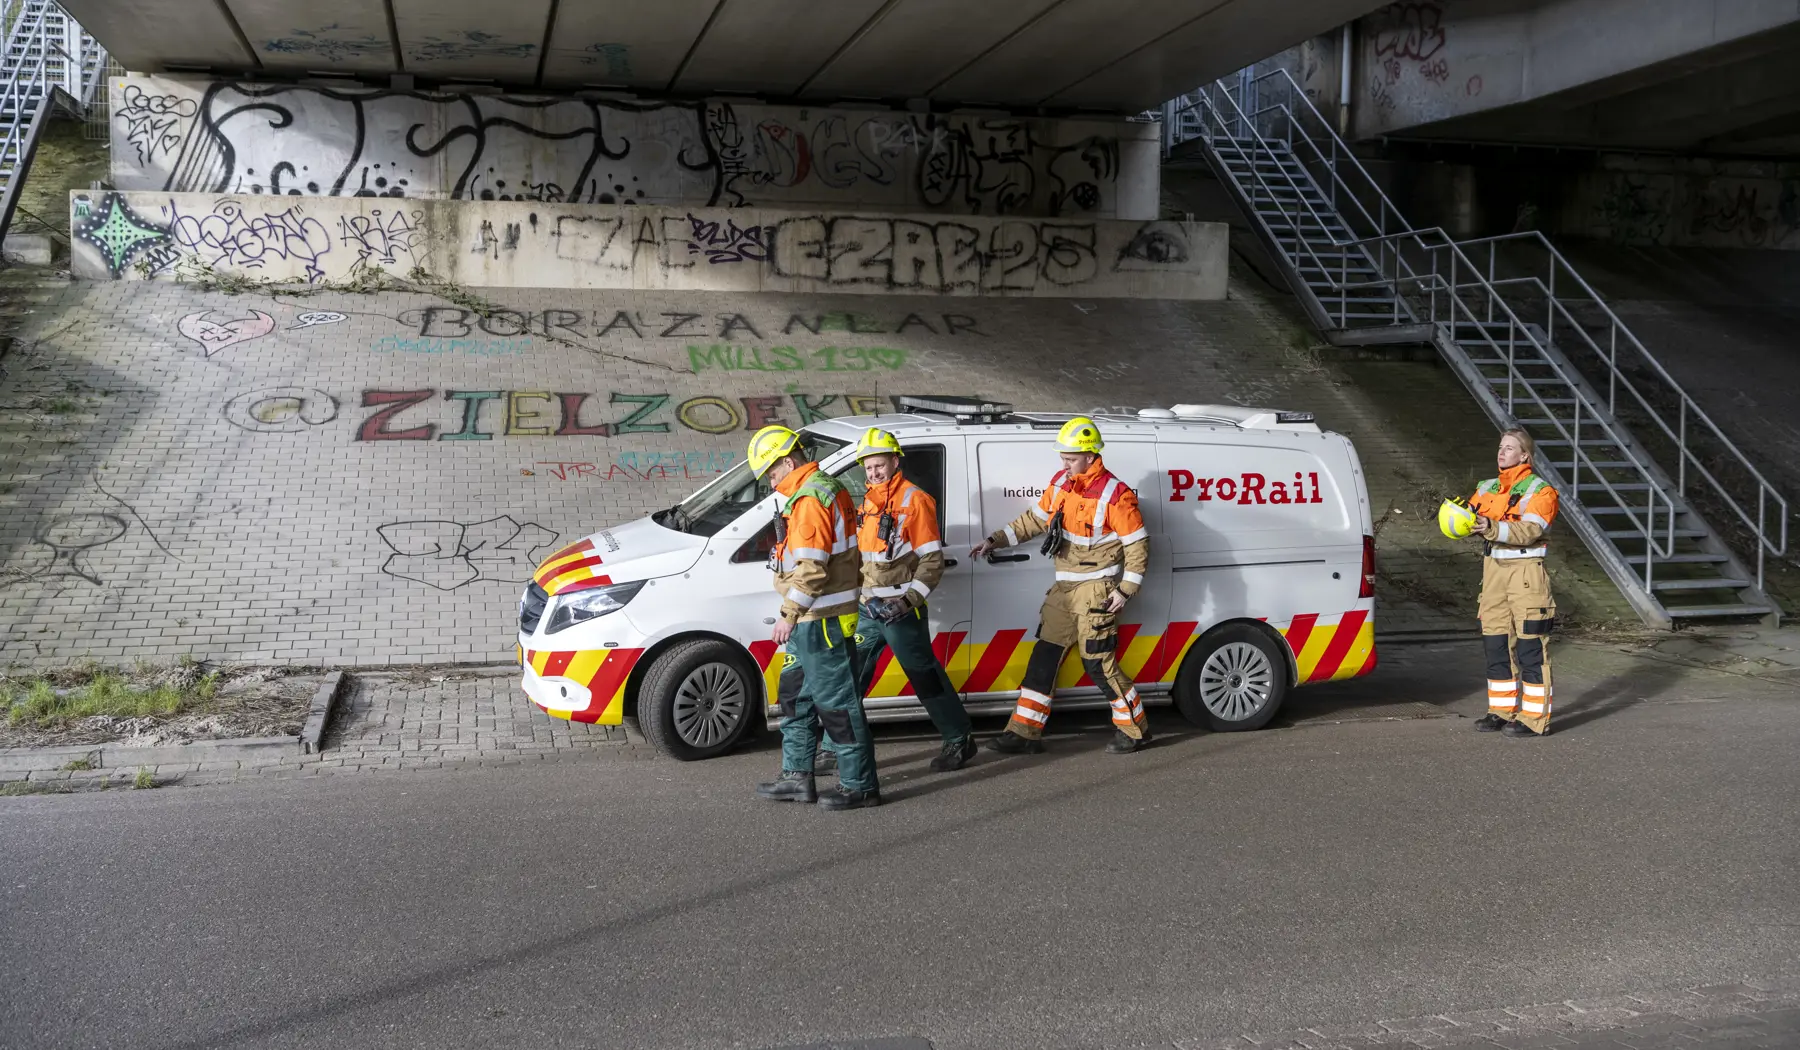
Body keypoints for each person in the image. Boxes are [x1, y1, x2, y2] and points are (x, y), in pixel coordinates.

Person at [969, 416, 1153, 755]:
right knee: (1044, 656)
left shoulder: (1116, 495)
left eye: (1069, 458)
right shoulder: (1063, 482)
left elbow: (1137, 546)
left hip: (1096, 590)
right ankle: (1024, 733)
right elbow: (1036, 520)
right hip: (1064, 589)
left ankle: (1135, 728)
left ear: (1089, 455)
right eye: (1063, 457)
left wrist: (1125, 590)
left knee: (1098, 663)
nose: (1063, 463)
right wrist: (995, 540)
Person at [747, 425, 882, 809]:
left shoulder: (810, 500)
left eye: (772, 474)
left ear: (789, 462)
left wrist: (788, 614)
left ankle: (860, 785)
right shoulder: (813, 493)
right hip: (812, 619)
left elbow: (812, 569)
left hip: (819, 619)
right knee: (795, 699)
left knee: (837, 705)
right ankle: (797, 776)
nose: (772, 484)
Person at [847, 428, 976, 771]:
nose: (873, 473)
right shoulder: (869, 500)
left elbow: (932, 561)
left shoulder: (914, 500)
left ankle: (959, 739)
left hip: (899, 609)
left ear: (894, 461)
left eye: (879, 465)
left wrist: (908, 602)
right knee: (850, 676)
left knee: (923, 675)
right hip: (868, 607)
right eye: (868, 467)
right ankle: (839, 745)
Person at [1467, 427, 1560, 738]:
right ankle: (1501, 711)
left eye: (1510, 447)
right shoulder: (1487, 487)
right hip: (1493, 571)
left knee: (1530, 647)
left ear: (1525, 455)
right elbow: (1468, 518)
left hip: (1525, 574)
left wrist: (1490, 527)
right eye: (1500, 446)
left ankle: (1534, 719)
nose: (1502, 451)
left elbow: (1529, 531)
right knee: (1495, 645)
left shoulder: (1541, 491)